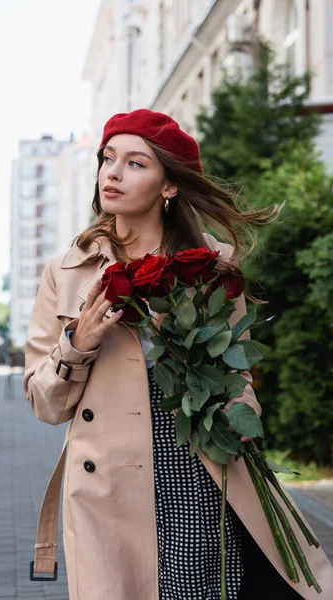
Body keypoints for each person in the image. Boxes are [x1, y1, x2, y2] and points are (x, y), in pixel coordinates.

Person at [24, 109, 332, 600]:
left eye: (135, 163)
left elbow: (239, 375)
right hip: (109, 480)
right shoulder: (67, 272)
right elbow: (45, 404)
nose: (113, 173)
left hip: (197, 461)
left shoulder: (212, 267)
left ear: (169, 185)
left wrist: (239, 412)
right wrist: (77, 343)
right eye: (108, 159)